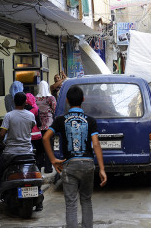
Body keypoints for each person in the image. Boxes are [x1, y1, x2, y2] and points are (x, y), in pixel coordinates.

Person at [43, 86, 107, 228]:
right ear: (83, 100)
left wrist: (53, 160)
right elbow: (96, 145)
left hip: (70, 165)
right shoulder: (90, 120)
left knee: (71, 204)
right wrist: (101, 169)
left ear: (67, 100)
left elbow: (46, 138)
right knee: (86, 200)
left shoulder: (61, 120)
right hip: (88, 164)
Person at [0, 92, 36, 182]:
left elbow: (2, 134)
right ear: (25, 102)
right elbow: (31, 127)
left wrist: (0, 141)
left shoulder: (9, 115)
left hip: (11, 153)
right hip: (27, 152)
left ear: (14, 102)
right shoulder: (31, 115)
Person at [36, 81, 56, 174]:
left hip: (39, 126)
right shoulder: (51, 98)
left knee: (40, 149)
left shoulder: (35, 98)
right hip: (49, 125)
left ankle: (39, 168)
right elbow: (54, 109)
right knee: (49, 147)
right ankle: (48, 168)